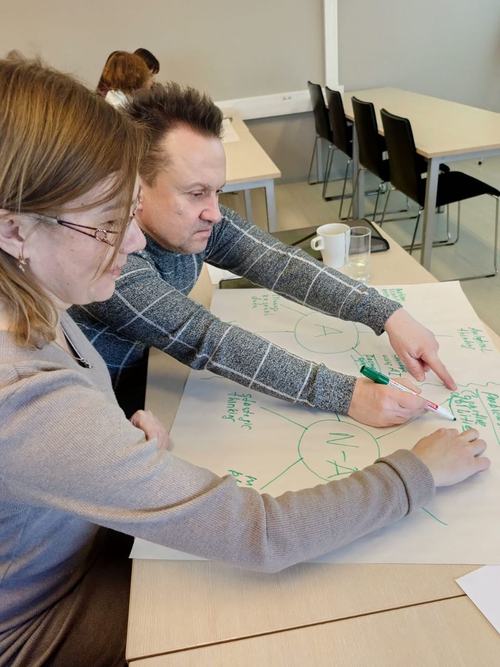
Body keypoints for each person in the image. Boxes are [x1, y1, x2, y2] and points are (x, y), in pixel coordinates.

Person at [0, 58, 490, 666]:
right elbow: (261, 530)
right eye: (108, 220)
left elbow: (275, 261)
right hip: (48, 616)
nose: (131, 240)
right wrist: (415, 470)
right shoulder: (32, 387)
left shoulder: (35, 295)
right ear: (16, 231)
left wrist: (384, 312)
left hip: (81, 525)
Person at [72, 82, 456, 425]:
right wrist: (350, 396)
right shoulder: (107, 254)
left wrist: (388, 314)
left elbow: (277, 263)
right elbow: (210, 340)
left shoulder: (192, 222)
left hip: (148, 376)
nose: (214, 213)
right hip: (104, 409)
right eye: (196, 193)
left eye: (217, 191)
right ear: (135, 186)